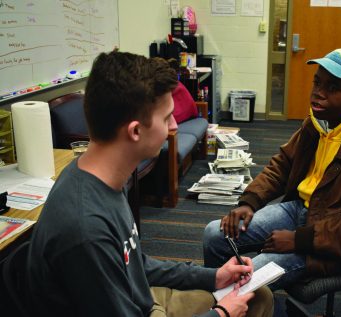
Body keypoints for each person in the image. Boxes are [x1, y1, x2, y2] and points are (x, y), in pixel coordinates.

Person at [25, 51, 273, 317]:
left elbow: (134, 263)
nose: (174, 125)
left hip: (137, 295)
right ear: (135, 131)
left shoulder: (104, 176)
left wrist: (214, 276)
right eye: (167, 118)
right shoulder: (86, 229)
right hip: (134, 305)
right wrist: (221, 314)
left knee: (257, 294)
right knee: (248, 304)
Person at [203, 48, 341, 290]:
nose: (318, 94)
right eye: (317, 83)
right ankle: (224, 305)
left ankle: (239, 304)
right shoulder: (320, 122)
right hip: (302, 210)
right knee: (215, 234)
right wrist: (250, 201)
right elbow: (284, 163)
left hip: (335, 243)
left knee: (250, 280)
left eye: (333, 88)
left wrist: (301, 241)